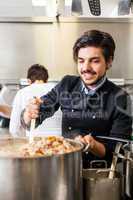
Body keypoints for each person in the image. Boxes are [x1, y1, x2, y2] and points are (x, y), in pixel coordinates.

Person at [21, 30, 132, 168]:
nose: (86, 68)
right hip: (65, 168)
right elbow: (36, 117)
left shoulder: (121, 98)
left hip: (99, 174)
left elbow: (120, 150)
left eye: (94, 61)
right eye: (81, 61)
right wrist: (29, 113)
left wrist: (93, 145)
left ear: (109, 62)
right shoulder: (67, 84)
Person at [9, 64, 62, 137]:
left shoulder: (22, 93)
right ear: (46, 80)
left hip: (35, 142)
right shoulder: (58, 90)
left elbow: (13, 129)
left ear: (29, 81)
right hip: (60, 141)